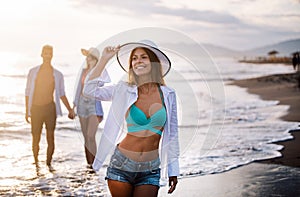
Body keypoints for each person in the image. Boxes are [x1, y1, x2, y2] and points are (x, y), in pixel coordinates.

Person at [83, 40, 179, 196]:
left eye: (143, 57)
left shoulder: (168, 94)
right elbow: (89, 90)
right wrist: (104, 59)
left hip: (151, 168)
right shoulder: (123, 89)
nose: (138, 61)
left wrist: (173, 169)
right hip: (122, 164)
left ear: (153, 62)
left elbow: (173, 134)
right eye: (134, 58)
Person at [25, 44, 75, 170]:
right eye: (45, 53)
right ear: (41, 55)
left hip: (49, 109)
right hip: (36, 108)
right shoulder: (33, 72)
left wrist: (69, 109)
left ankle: (48, 164)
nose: (47, 56)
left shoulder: (57, 75)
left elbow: (62, 94)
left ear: (52, 56)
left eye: (49, 53)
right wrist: (27, 111)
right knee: (35, 137)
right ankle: (36, 163)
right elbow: (27, 91)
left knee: (50, 137)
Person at [73, 47, 109, 167]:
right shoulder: (83, 71)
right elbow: (79, 88)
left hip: (94, 105)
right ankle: (89, 165)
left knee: (90, 136)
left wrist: (97, 70)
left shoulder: (99, 72)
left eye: (90, 57)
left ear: (95, 59)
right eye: (87, 57)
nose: (87, 59)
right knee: (86, 138)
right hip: (82, 103)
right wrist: (74, 105)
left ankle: (95, 164)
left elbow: (102, 85)